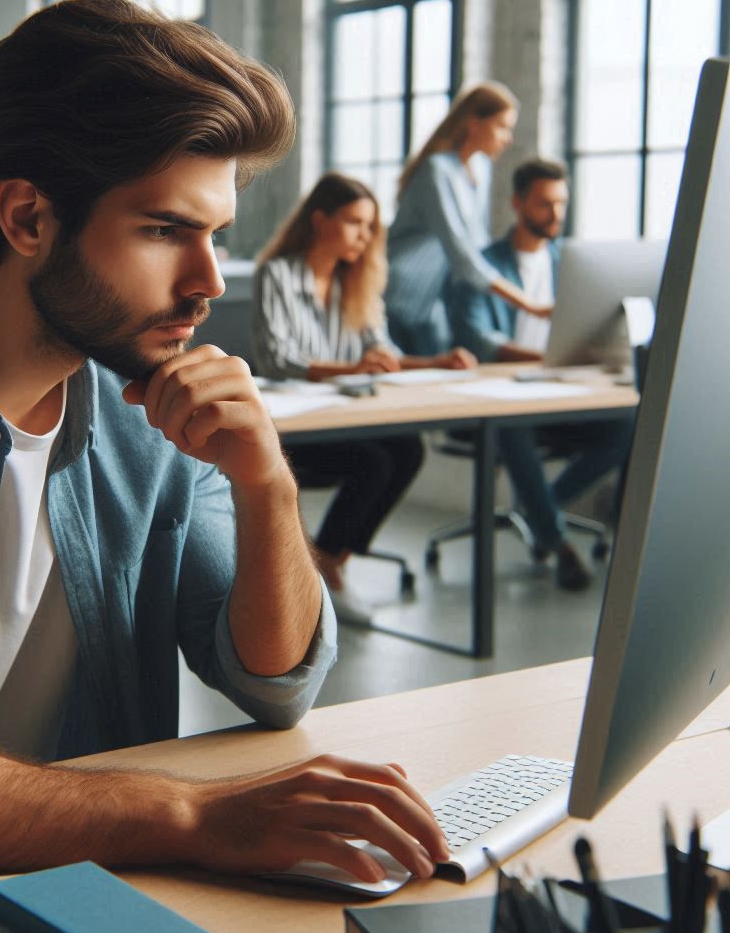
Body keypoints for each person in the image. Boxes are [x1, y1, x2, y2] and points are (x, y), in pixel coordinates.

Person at [0, 0, 449, 884]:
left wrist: (270, 490)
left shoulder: (156, 409)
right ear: (28, 218)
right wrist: (188, 815)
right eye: (163, 231)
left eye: (215, 236)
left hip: (79, 888)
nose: (210, 280)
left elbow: (274, 681)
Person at [252, 172, 475, 591]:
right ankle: (326, 569)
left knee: (407, 450)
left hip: (346, 417)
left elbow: (381, 354)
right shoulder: (277, 274)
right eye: (356, 222)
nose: (366, 235)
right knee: (373, 462)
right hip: (295, 426)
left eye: (371, 226)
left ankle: (330, 560)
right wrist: (352, 370)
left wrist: (436, 361)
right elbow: (278, 359)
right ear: (320, 221)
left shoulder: (358, 282)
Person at [448, 158, 634, 590]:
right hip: (495, 394)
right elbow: (475, 337)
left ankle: (539, 511)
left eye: (562, 204)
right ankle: (557, 542)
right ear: (518, 203)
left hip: (559, 393)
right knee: (512, 428)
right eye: (545, 204)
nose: (555, 215)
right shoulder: (481, 265)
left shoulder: (575, 263)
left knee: (628, 425)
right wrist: (538, 357)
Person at [384, 81, 553, 357]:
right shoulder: (435, 170)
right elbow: (461, 251)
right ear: (473, 123)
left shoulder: (481, 167)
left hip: (439, 297)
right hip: (403, 296)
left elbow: (478, 242)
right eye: (502, 126)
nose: (508, 138)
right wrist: (529, 305)